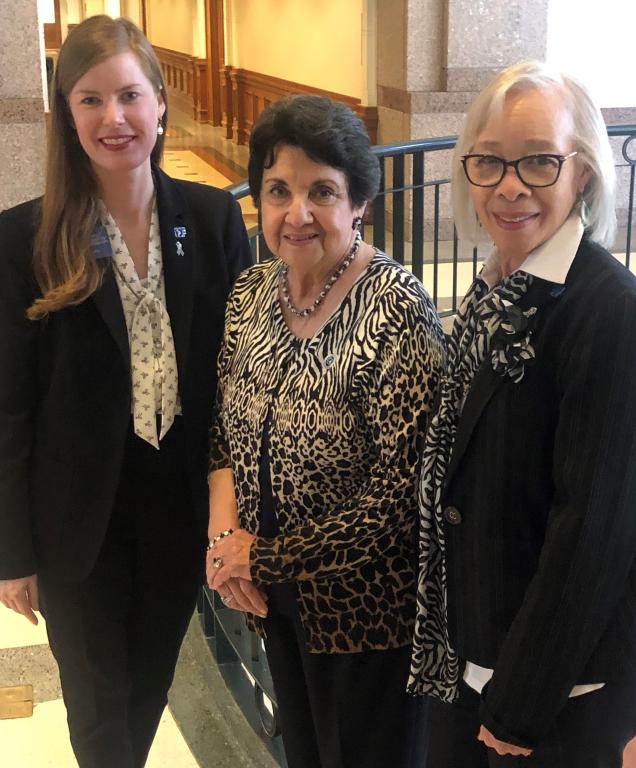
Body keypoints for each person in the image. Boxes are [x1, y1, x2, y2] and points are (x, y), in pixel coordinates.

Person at [0, 16, 251, 768]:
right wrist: (11, 550)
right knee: (96, 702)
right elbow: (7, 409)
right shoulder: (24, 241)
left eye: (130, 95)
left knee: (148, 684)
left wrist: (232, 516)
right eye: (90, 100)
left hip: (177, 507)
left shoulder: (209, 222)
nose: (114, 118)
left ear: (161, 104)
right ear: (65, 113)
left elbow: (238, 378)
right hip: (76, 520)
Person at [408, 60, 636, 767]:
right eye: (490, 162)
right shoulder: (494, 292)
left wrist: (522, 703)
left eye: (539, 161)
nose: (510, 185)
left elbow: (590, 534)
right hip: (470, 664)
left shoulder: (607, 312)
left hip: (554, 695)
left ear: (585, 173)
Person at [206, 94, 445, 768]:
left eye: (322, 191)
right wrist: (226, 542)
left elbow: (401, 497)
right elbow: (223, 428)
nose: (297, 214)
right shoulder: (252, 293)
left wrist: (263, 558)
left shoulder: (397, 306)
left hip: (368, 619)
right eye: (278, 190)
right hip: (276, 605)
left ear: (359, 200)